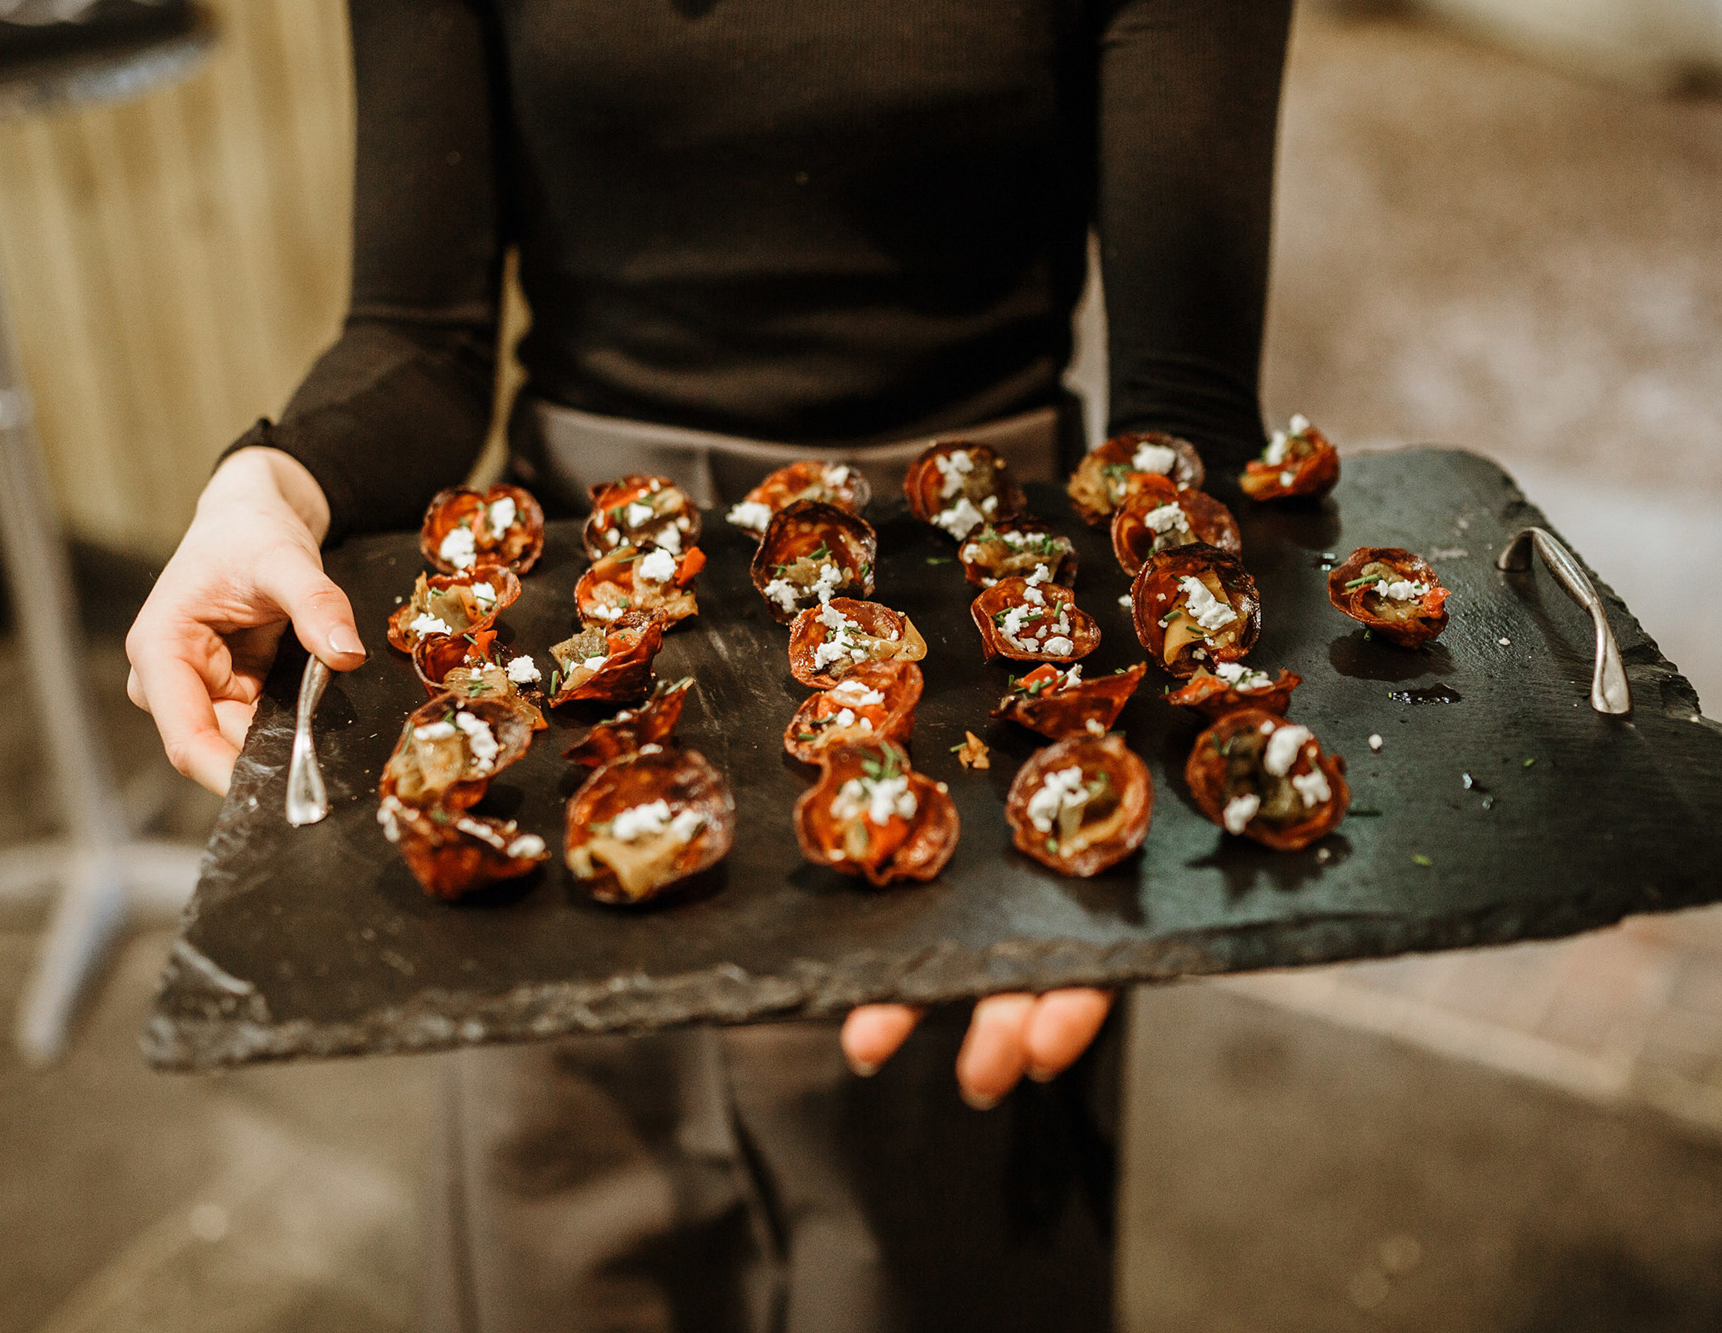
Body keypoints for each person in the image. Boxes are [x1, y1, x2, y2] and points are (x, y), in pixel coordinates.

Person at [126, 2, 1292, 1327]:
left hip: (986, 652)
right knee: (569, 1242)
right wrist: (264, 482)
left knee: (930, 1254)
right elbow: (415, 334)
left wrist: (1128, 762)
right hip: (568, 660)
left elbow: (1185, 407)